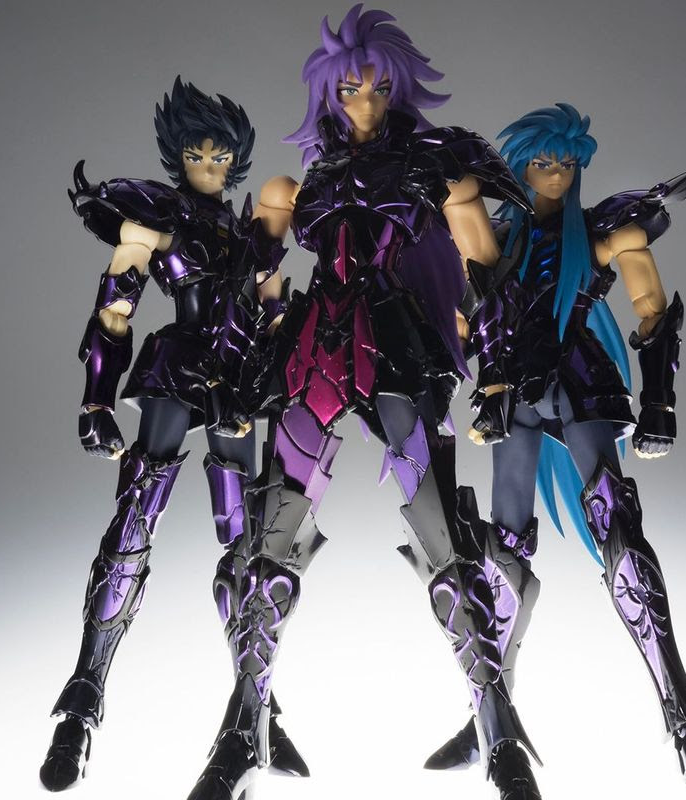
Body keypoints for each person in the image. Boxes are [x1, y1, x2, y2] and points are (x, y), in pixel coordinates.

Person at [183, 7, 539, 800]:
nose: (366, 102)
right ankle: (243, 731)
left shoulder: (436, 167)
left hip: (398, 343)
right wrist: (237, 369)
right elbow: (257, 284)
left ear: (398, 87)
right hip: (315, 346)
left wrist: (496, 374)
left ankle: (497, 727)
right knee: (269, 542)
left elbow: (484, 268)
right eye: (351, 89)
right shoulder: (299, 184)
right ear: (329, 92)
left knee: (445, 538)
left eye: (378, 88)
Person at [427, 103, 686, 797]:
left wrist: (659, 402)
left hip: (582, 383)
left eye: (567, 163)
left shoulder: (598, 232)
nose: (557, 174)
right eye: (543, 162)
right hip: (515, 396)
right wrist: (446, 384)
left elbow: (652, 307)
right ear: (519, 167)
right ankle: (491, 719)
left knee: (619, 532)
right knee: (503, 552)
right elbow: (462, 318)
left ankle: (684, 717)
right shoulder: (491, 235)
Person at [39, 78, 304, 792]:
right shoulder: (158, 216)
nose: (209, 166)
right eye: (197, 154)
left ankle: (256, 706)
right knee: (135, 516)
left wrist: (290, 377)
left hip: (238, 383)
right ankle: (82, 701)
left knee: (247, 541)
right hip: (178, 365)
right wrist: (96, 401)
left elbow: (276, 316)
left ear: (236, 162)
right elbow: (116, 308)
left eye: (221, 157)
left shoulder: (252, 237)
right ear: (178, 156)